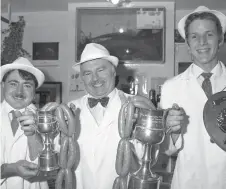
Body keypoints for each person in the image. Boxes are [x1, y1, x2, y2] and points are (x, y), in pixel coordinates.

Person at [161, 6, 226, 189]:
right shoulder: (171, 88)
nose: (202, 42)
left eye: (209, 34)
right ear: (188, 43)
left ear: (220, 39)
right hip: (189, 182)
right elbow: (167, 150)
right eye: (194, 36)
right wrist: (173, 132)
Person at [0, 57, 49, 189]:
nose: (19, 92)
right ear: (3, 85)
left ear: (34, 92)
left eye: (27, 85)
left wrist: (33, 135)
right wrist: (11, 169)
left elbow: (47, 168)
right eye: (13, 84)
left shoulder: (48, 120)